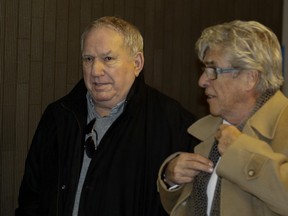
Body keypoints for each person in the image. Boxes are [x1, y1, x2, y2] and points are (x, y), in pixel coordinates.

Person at [15, 16, 197, 216]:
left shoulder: (173, 124)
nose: (95, 71)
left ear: (137, 63)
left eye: (108, 59)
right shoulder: (58, 117)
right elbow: (30, 198)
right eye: (88, 59)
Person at [157, 20, 288, 216]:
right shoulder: (207, 131)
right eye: (204, 70)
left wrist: (240, 152)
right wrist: (171, 179)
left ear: (250, 78)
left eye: (213, 71)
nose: (202, 81)